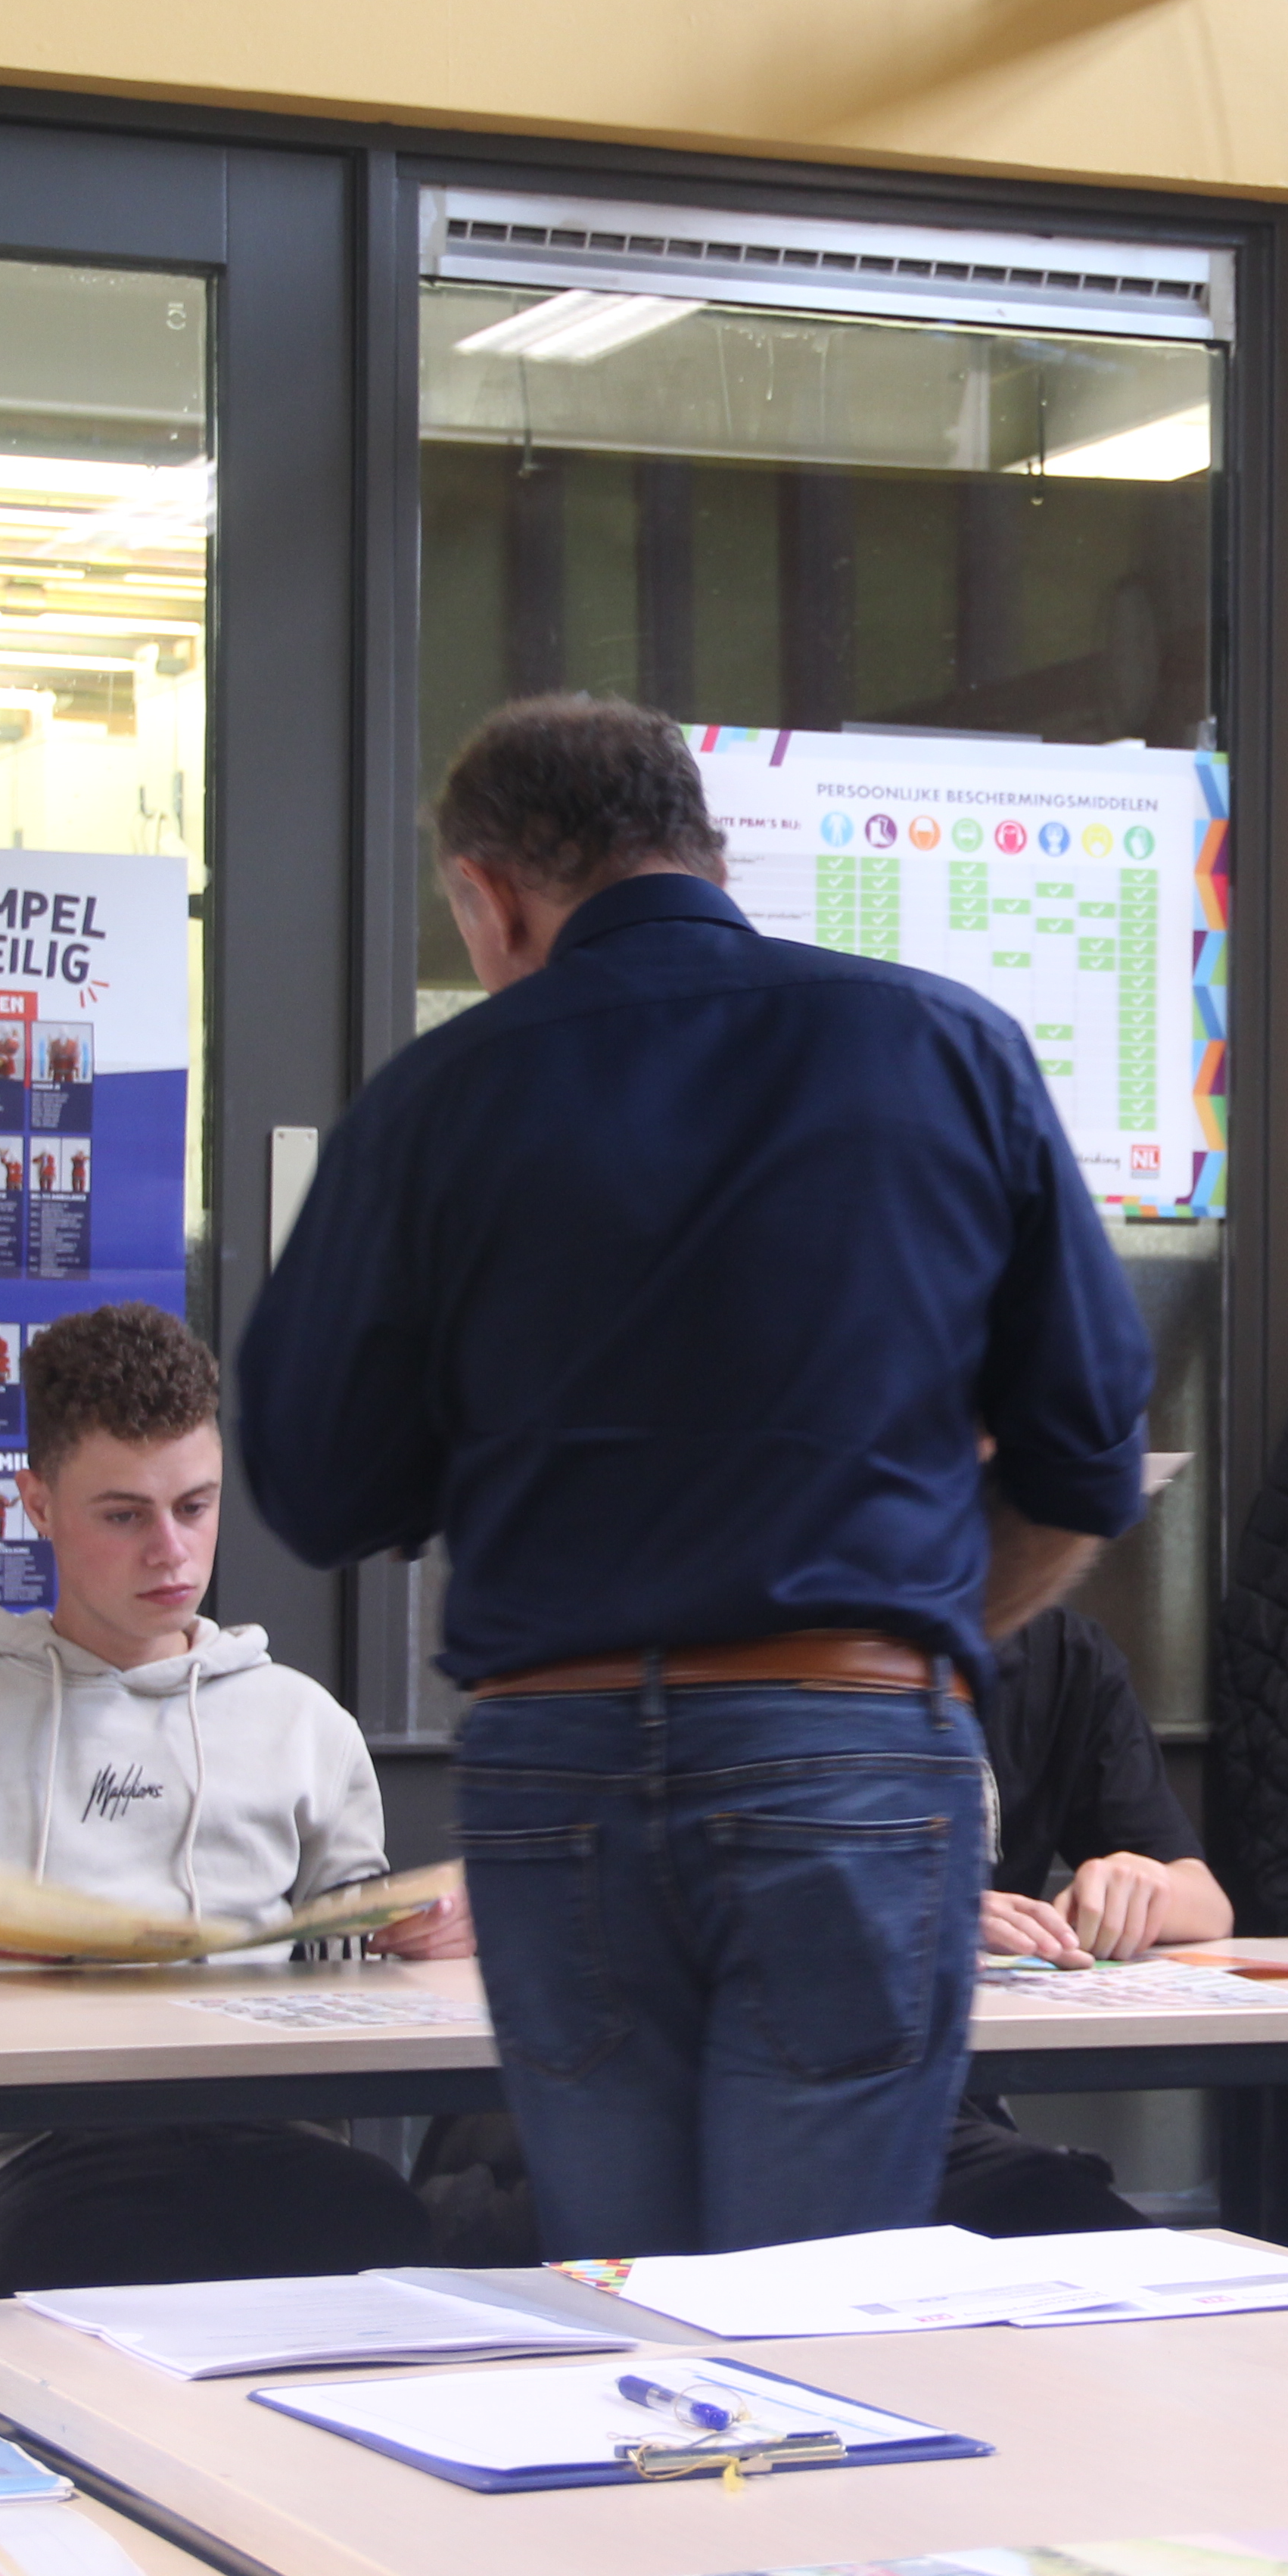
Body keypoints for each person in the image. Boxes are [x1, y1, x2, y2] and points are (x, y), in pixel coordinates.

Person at [238, 693, 1150, 2262]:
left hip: (556, 1763)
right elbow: (1086, 1458)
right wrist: (892, 1648)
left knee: (632, 2294)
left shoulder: (432, 1104)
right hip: (851, 1744)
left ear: (488, 897)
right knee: (821, 2304)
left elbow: (318, 1487)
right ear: (709, 850)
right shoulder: (948, 1049)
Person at [0, 1302, 469, 2297]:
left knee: (385, 2242)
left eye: (196, 1507)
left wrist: (406, 1933)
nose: (170, 1552)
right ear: (38, 1505)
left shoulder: (308, 1725)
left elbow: (344, 1950)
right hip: (45, 2159)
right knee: (119, 2262)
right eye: (124, 1516)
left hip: (273, 2131)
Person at [945, 1604, 1232, 2235]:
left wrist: (1142, 1883)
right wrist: (925, 1911)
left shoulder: (1058, 1648)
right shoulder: (800, 1639)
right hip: (830, 2093)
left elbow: (1208, 1904)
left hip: (956, 2095)